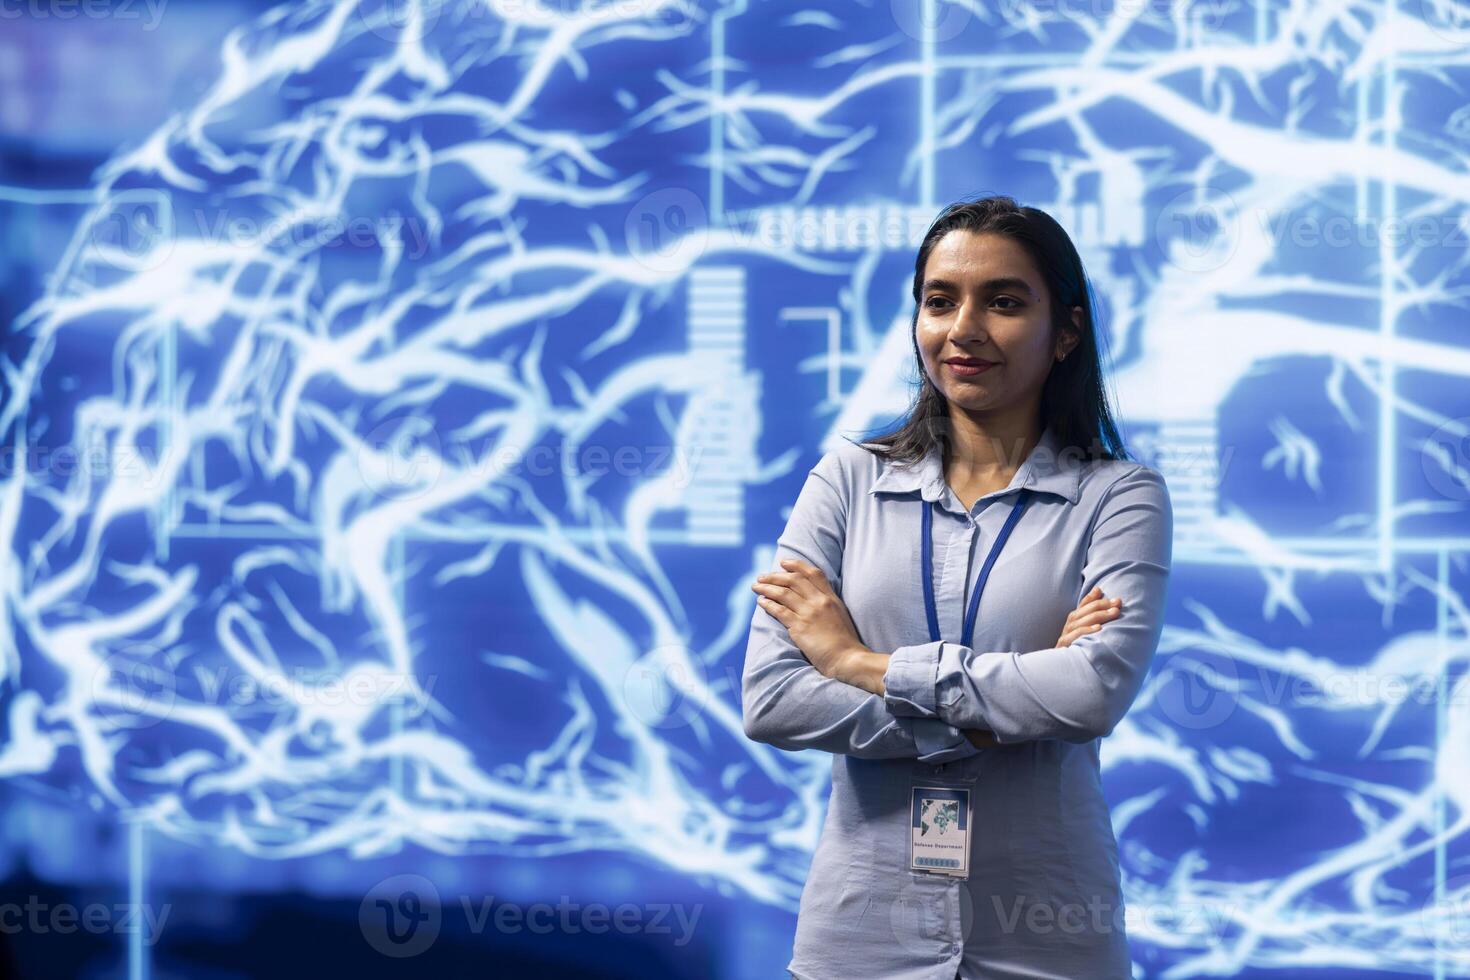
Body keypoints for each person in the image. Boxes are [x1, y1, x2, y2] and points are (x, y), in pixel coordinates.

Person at [742, 194, 1174, 979]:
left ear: (1066, 333)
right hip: (860, 940)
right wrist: (990, 715)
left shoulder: (1119, 497)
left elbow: (1089, 696)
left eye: (1004, 303)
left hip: (1048, 938)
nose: (963, 329)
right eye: (940, 302)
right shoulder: (847, 480)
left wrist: (858, 663)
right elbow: (773, 699)